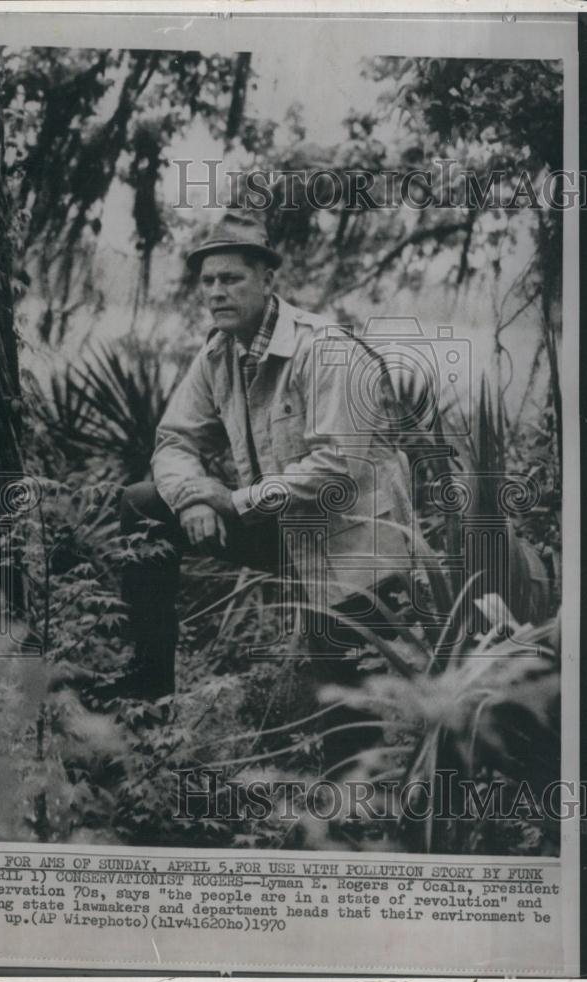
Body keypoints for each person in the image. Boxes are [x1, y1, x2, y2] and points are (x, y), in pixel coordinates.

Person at [119, 209, 419, 764]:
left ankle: (359, 818)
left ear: (267, 280)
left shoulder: (326, 351)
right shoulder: (219, 355)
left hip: (355, 548)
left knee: (348, 732)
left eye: (230, 278)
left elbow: (336, 470)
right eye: (207, 281)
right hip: (281, 530)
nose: (215, 292)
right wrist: (190, 496)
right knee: (143, 506)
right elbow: (173, 442)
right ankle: (148, 703)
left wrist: (230, 501)